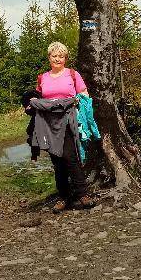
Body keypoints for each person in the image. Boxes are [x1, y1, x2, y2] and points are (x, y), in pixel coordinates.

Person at [32, 42, 93, 212]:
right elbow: (37, 97)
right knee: (57, 160)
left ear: (65, 58)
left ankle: (82, 194)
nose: (57, 59)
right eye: (54, 56)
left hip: (67, 120)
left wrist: (78, 100)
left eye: (61, 56)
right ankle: (63, 197)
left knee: (70, 156)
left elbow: (84, 94)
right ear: (49, 58)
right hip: (48, 123)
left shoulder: (72, 75)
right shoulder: (43, 78)